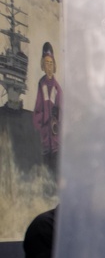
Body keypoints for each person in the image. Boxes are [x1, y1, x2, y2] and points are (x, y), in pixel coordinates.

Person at [32, 41, 61, 175]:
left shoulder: (57, 88)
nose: (48, 66)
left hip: (54, 139)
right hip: (44, 137)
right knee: (45, 169)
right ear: (43, 65)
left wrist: (57, 121)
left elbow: (61, 109)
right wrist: (40, 126)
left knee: (54, 168)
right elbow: (38, 108)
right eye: (46, 63)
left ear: (54, 65)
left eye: (51, 63)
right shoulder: (41, 84)